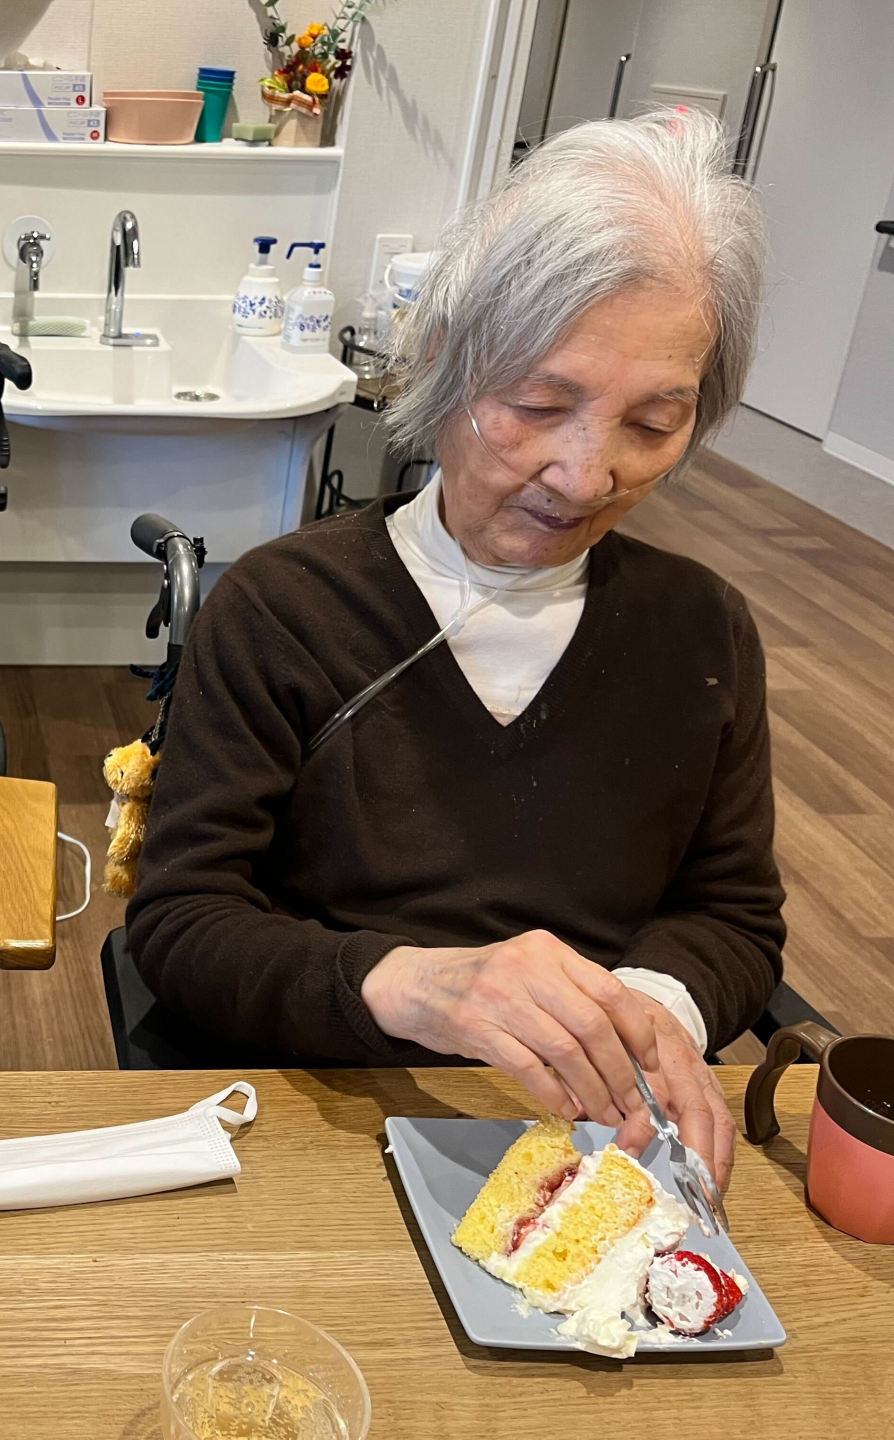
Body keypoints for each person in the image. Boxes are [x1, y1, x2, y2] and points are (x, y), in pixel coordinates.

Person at [128, 109, 781, 1189]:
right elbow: (184, 923)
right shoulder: (284, 610)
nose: (587, 474)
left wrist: (648, 1009)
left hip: (596, 1145)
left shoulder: (701, 631)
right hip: (318, 1115)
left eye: (653, 424)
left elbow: (734, 919)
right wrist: (409, 985)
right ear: (441, 363)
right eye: (539, 404)